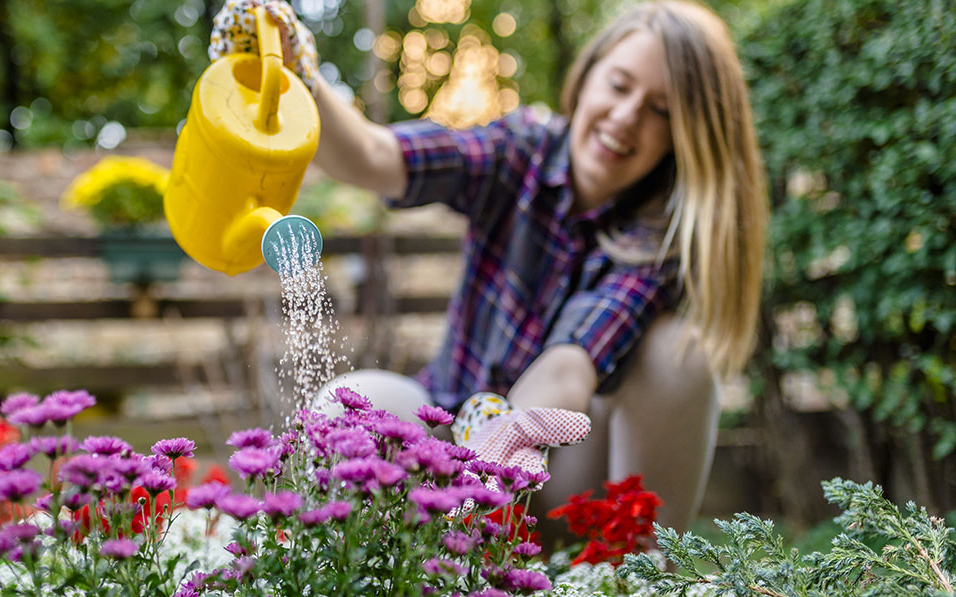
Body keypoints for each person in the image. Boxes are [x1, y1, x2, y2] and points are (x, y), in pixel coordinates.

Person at [208, 0, 768, 536]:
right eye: (619, 86)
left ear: (685, 135)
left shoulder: (664, 235)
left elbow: (569, 366)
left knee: (680, 355)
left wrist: (487, 475)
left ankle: (640, 576)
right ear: (588, 75)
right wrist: (296, 69)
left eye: (660, 111)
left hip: (557, 472)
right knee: (349, 402)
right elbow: (374, 158)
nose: (625, 117)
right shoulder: (519, 150)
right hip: (447, 426)